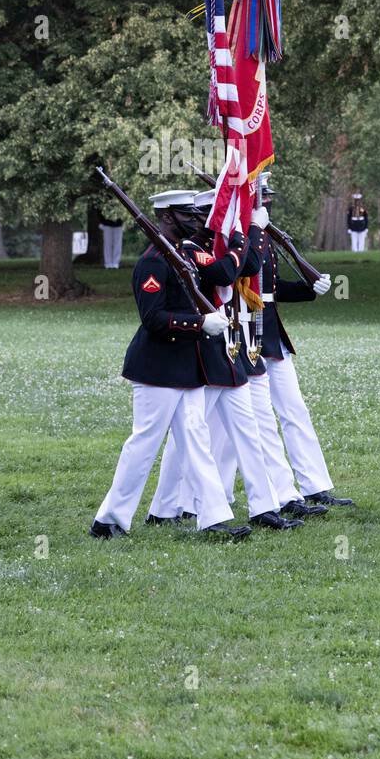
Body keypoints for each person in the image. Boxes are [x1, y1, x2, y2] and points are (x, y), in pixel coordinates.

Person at [90, 189, 251, 541]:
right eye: (187, 214)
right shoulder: (154, 261)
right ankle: (109, 519)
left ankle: (213, 518)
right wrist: (198, 324)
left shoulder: (185, 256)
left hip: (186, 369)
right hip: (158, 370)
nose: (196, 220)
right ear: (166, 218)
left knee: (196, 442)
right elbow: (153, 317)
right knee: (144, 444)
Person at [146, 191, 304, 532]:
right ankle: (164, 507)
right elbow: (223, 272)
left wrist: (248, 231)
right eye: (200, 214)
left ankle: (265, 507)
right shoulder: (190, 250)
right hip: (203, 350)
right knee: (187, 435)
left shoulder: (216, 243)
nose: (202, 219)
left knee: (247, 431)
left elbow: (249, 266)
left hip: (230, 347)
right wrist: (242, 234)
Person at [255, 176, 354, 507]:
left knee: (294, 410)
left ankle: (315, 486)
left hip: (272, 334)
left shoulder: (263, 234)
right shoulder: (242, 235)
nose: (266, 201)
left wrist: (310, 289)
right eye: (260, 196)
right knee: (240, 425)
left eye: (267, 196)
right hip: (246, 334)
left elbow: (272, 288)